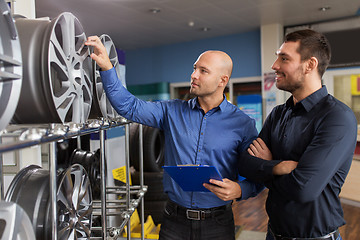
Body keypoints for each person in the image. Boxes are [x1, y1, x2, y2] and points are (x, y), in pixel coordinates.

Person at [85, 36, 263, 240]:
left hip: (218, 224)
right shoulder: (171, 111)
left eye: (203, 71)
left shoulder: (243, 124)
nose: (193, 75)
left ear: (222, 80)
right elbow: (129, 107)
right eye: (194, 68)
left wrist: (240, 189)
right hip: (173, 221)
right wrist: (108, 69)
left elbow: (259, 176)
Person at [237, 29, 357, 240]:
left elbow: (303, 190)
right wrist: (278, 167)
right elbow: (245, 163)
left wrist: (266, 165)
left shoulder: (336, 117)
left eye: (284, 58)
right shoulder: (278, 113)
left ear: (310, 65)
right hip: (273, 233)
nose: (274, 65)